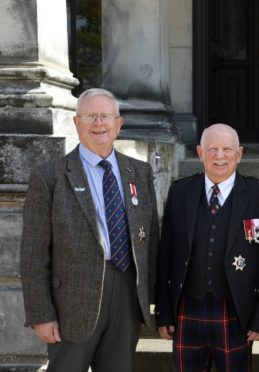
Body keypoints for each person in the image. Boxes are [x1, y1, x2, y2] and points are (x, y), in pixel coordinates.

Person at [20, 88, 160, 372]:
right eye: (90, 116)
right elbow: (33, 254)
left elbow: (151, 243)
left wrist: (151, 300)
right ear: (76, 122)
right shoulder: (50, 176)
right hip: (71, 303)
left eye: (106, 116)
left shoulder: (140, 172)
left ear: (118, 123)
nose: (99, 123)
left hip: (126, 294)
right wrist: (41, 314)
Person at [155, 123, 259, 371]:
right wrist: (163, 313)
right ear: (200, 153)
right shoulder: (180, 192)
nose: (220, 156)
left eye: (227, 149)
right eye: (213, 149)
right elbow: (165, 257)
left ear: (239, 154)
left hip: (237, 312)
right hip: (187, 307)